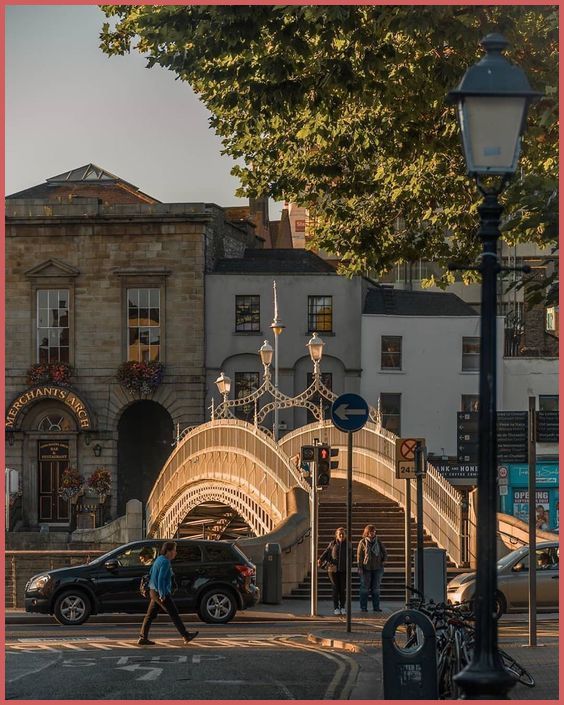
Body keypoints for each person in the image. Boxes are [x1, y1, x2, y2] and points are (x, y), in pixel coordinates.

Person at [138, 541, 198, 646]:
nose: (176, 553)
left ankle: (143, 637)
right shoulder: (165, 562)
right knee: (174, 613)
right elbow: (161, 579)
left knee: (150, 615)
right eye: (174, 550)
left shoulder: (159, 559)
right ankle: (186, 635)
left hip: (153, 591)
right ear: (169, 551)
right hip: (161, 592)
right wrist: (162, 594)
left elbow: (151, 572)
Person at [318, 527, 349, 615]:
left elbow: (352, 557)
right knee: (335, 588)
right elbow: (326, 552)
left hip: (343, 570)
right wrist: (320, 559)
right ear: (337, 535)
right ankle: (336, 607)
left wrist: (348, 565)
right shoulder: (332, 544)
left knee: (342, 589)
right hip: (332, 569)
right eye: (340, 534)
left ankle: (342, 607)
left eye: (343, 534)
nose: (342, 535)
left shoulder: (348, 544)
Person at [357, 524, 387, 613]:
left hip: (377, 568)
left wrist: (383, 561)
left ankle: (376, 607)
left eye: (374, 531)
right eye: (371, 532)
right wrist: (360, 567)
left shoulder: (378, 541)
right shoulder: (362, 542)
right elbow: (359, 556)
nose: (373, 533)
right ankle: (363, 607)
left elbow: (384, 552)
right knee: (364, 589)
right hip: (366, 568)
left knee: (376, 588)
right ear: (367, 532)